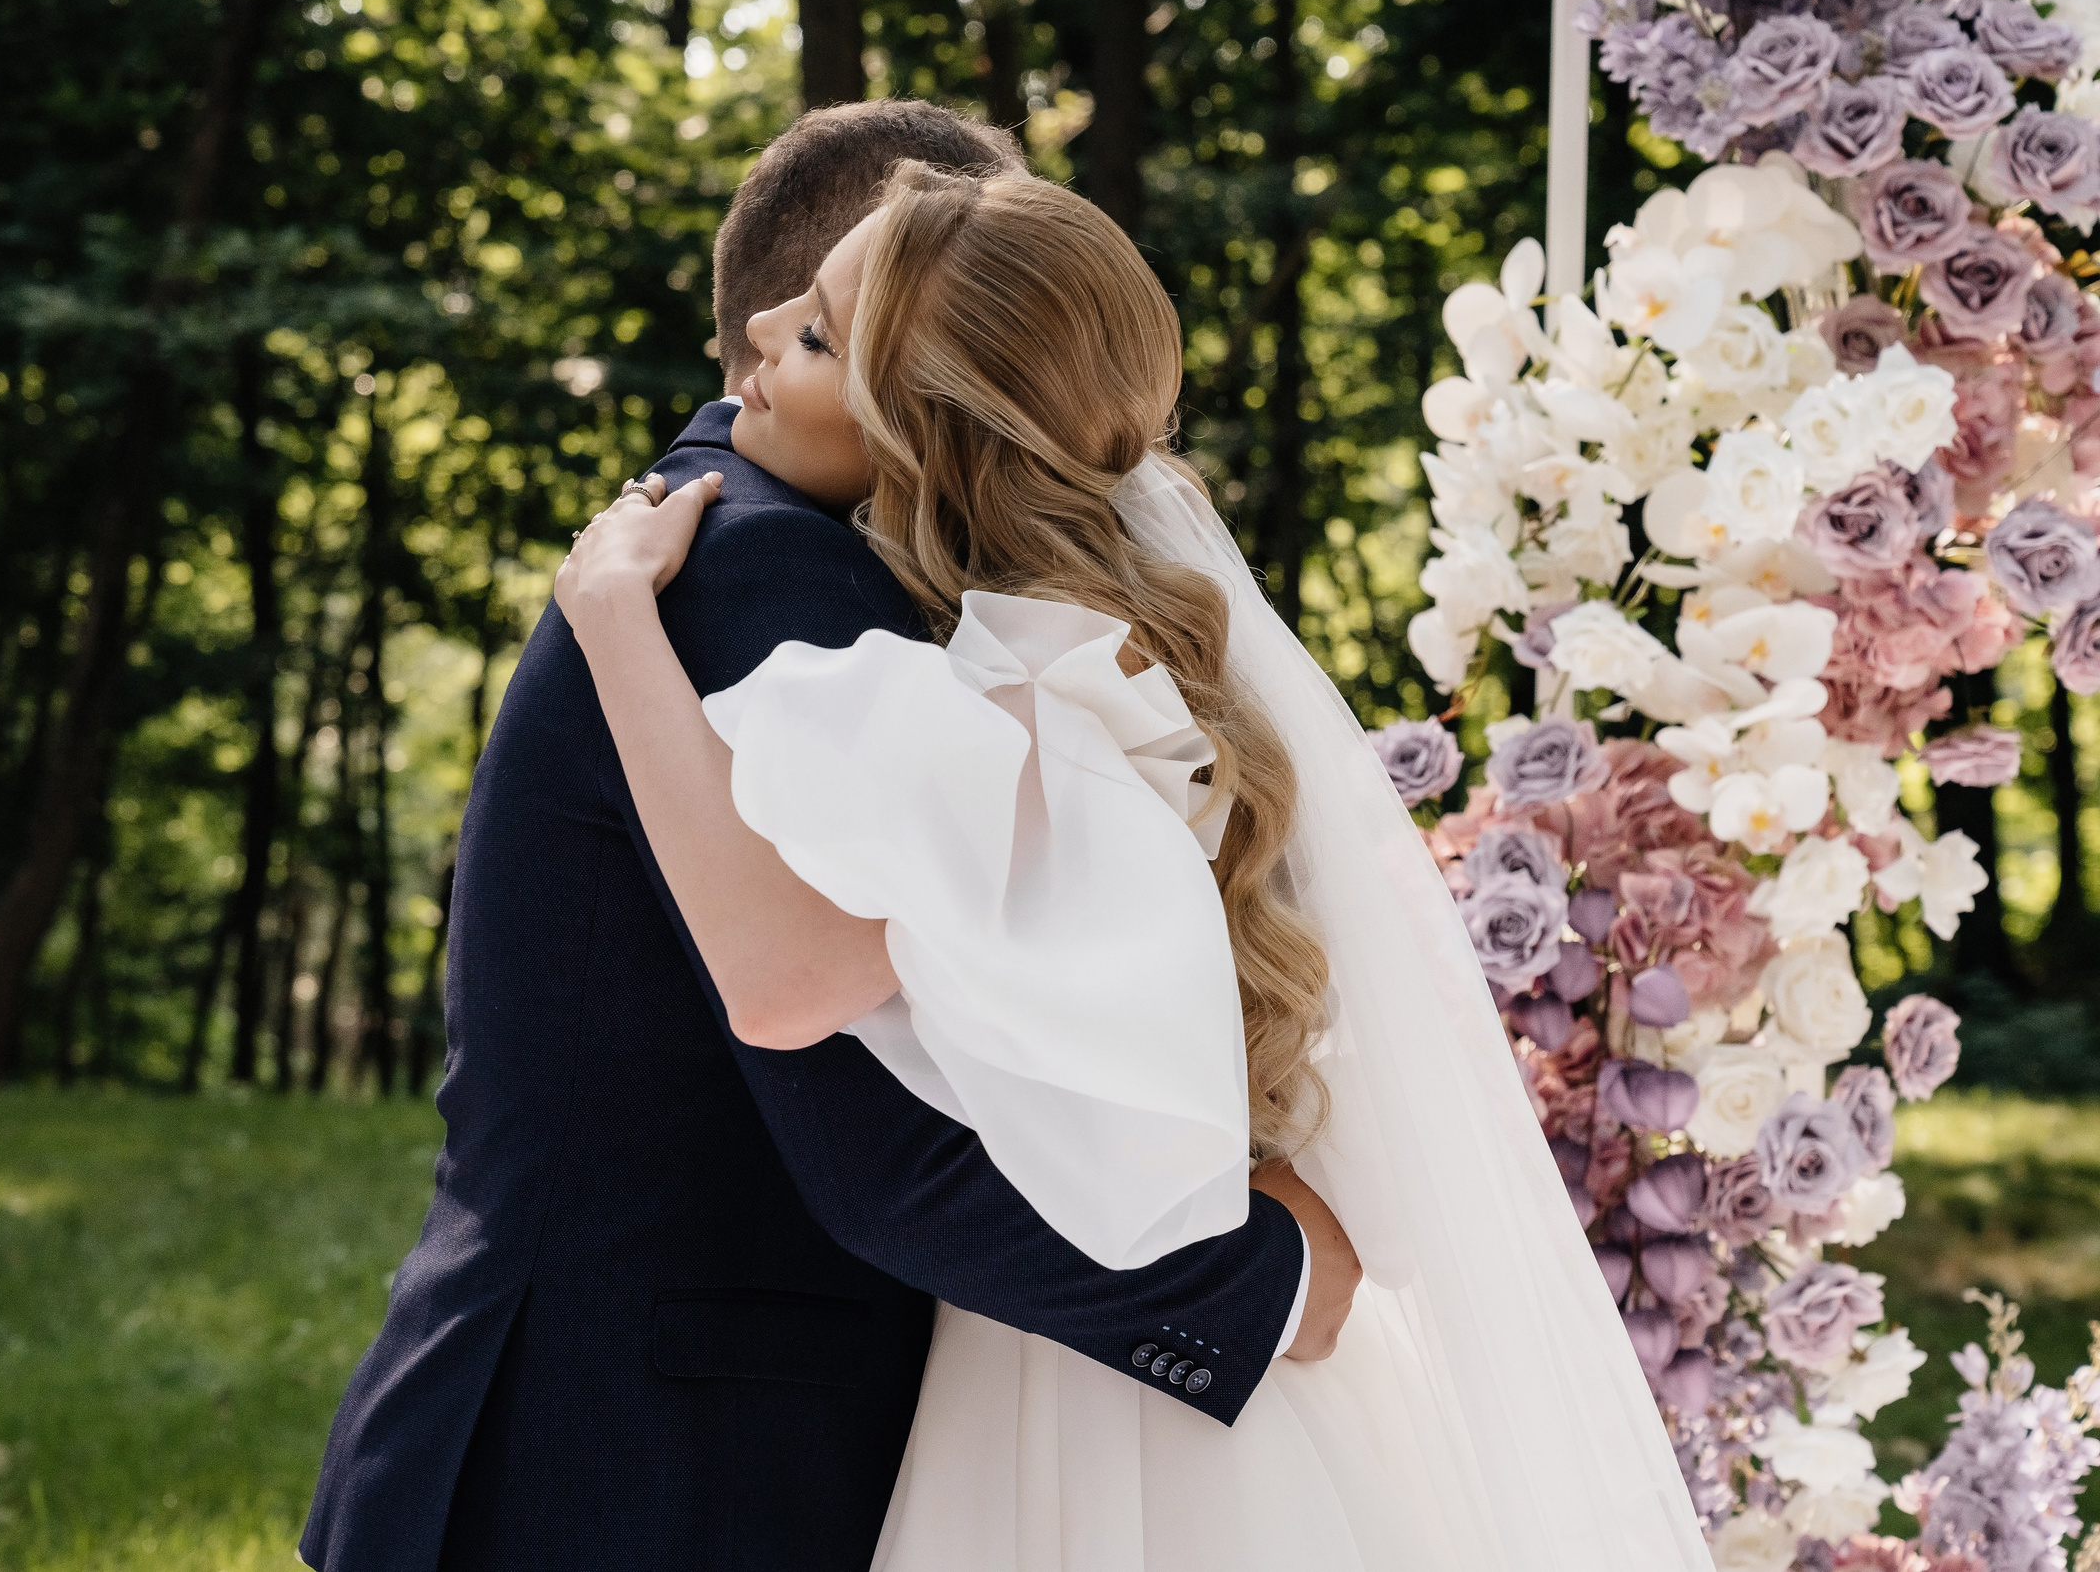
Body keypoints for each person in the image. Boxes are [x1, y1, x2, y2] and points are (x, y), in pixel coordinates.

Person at [553, 161, 1714, 1568]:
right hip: (1110, 1342)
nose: (751, 340)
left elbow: (788, 980)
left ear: (923, 433)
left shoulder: (1019, 703)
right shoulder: (1112, 667)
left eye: (810, 334)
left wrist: (614, 617)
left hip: (1098, 1382)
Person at [299, 102, 1353, 1572]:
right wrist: (1257, 1286)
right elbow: (873, 1142)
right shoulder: (759, 579)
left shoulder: (766, 558)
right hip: (635, 1473)